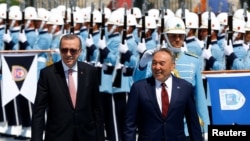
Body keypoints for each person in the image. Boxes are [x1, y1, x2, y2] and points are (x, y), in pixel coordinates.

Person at [31, 34, 104, 141]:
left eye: (73, 50)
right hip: (58, 136)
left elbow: (97, 109)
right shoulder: (47, 74)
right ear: (60, 50)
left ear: (80, 51)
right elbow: (39, 111)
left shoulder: (90, 72)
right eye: (64, 50)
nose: (68, 54)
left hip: (86, 135)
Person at [123, 48, 203, 141]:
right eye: (154, 63)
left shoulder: (185, 88)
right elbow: (129, 124)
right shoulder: (139, 88)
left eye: (162, 63)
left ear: (172, 66)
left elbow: (193, 123)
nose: (157, 67)